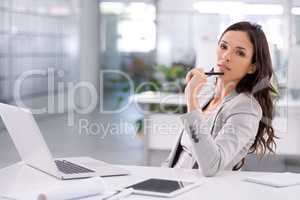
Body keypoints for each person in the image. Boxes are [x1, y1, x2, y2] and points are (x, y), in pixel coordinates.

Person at [162, 21, 277, 177]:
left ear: (252, 67)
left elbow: (211, 166)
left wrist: (190, 97)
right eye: (223, 47)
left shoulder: (246, 108)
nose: (226, 56)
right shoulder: (206, 93)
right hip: (174, 185)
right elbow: (179, 153)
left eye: (240, 53)